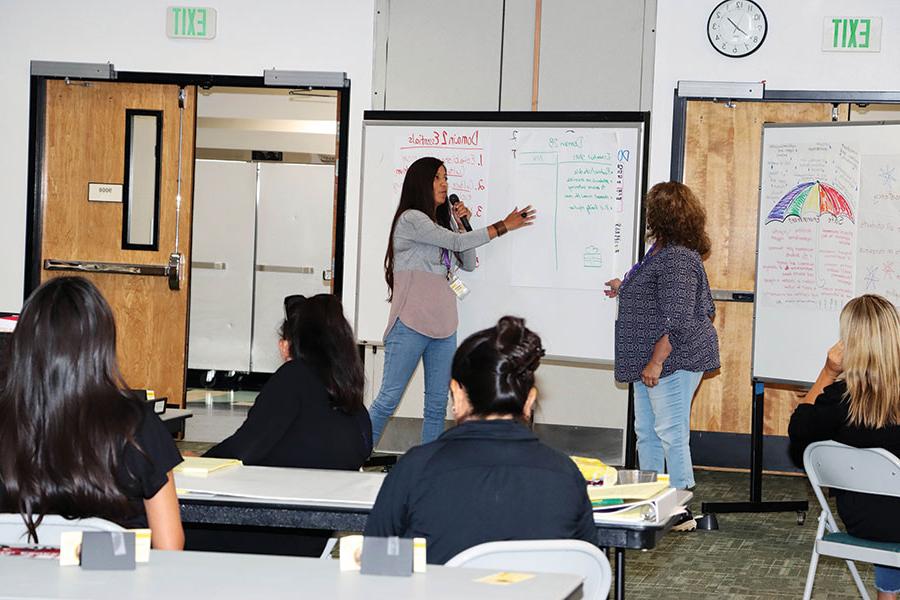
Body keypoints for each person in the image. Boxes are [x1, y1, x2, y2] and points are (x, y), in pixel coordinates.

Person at [364, 316, 596, 564]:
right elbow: (584, 569)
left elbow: (376, 564)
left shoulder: (415, 469)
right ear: (529, 401)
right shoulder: (565, 475)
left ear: (457, 396)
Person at [0, 276, 184, 549]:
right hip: (110, 578)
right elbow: (170, 545)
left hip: (17, 582)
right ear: (101, 345)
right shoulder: (137, 425)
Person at [370, 156, 536, 446]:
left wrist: (462, 224)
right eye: (438, 177)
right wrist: (503, 226)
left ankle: (429, 467)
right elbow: (459, 246)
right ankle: (352, 457)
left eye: (446, 177)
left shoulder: (442, 225)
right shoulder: (411, 219)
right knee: (388, 400)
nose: (444, 183)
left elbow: (468, 263)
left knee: (436, 406)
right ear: (421, 182)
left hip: (444, 328)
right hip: (409, 324)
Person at [192, 293, 371, 557]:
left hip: (267, 530)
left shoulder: (294, 378)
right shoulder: (351, 398)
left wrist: (199, 463)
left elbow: (245, 448)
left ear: (296, 343)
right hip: (313, 539)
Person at [604, 181, 720, 492]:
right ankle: (651, 496)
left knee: (671, 432)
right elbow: (659, 298)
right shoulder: (662, 251)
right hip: (652, 359)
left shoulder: (677, 258)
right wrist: (624, 287)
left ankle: (681, 507)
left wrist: (656, 362)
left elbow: (679, 319)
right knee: (647, 432)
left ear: (659, 215)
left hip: (672, 358)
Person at [789, 294, 900, 600]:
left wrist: (827, 372)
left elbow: (798, 430)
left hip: (860, 520)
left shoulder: (838, 400)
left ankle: (887, 595)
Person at [204, 293, 372, 468]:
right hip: (339, 490)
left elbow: (246, 448)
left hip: (286, 488)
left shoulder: (293, 376)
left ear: (289, 344)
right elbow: (365, 446)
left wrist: (203, 460)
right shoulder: (345, 382)